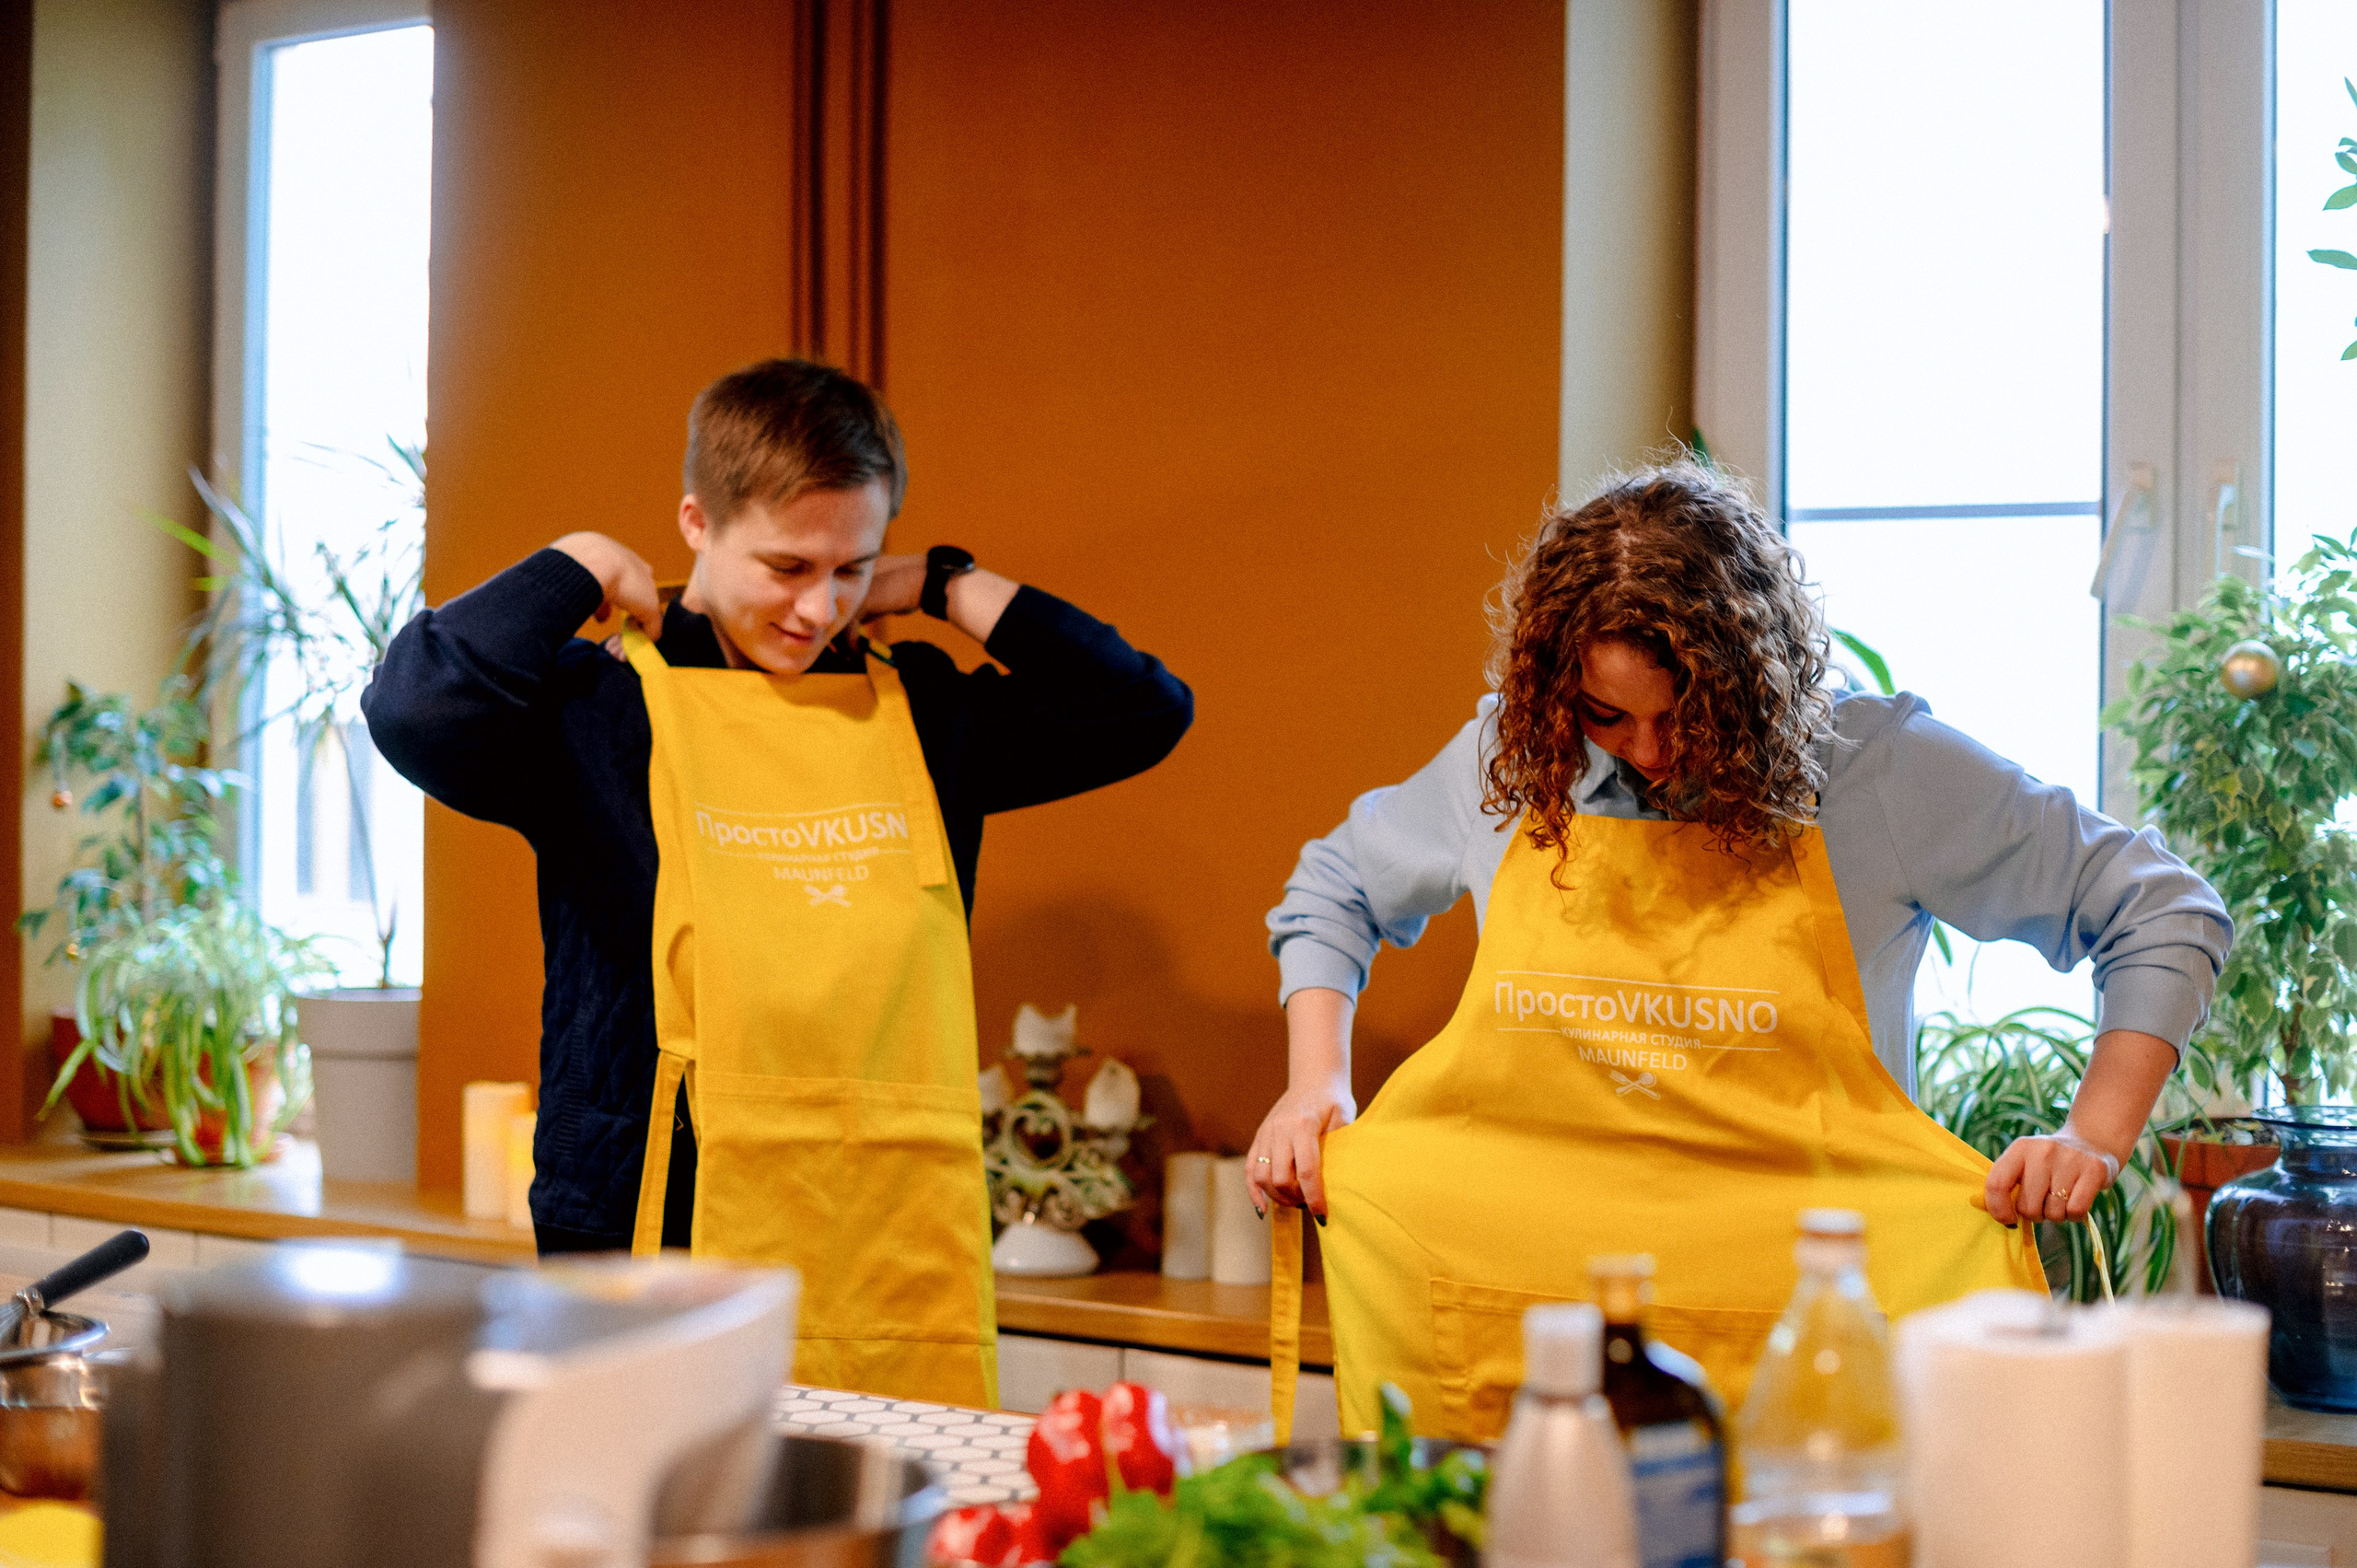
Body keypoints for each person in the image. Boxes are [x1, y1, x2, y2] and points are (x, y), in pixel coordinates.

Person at [1248, 460, 2229, 1438]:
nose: (1645, 750)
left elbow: (2162, 909)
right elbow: (1336, 886)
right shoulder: (1519, 759)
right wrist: (1313, 1085)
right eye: (1605, 714)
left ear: (1751, 676)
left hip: (1808, 1347)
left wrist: (2092, 1135)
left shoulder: (1875, 771)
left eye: (1681, 712)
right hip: (1531, 1336)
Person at [365, 358, 1192, 1407]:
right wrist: (578, 563)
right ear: (697, 522)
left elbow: (1142, 710)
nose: (819, 607)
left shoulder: (921, 713)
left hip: (883, 1219)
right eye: (787, 564)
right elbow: (414, 706)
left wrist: (942, 583)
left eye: (853, 568)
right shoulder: (596, 710)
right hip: (641, 1210)